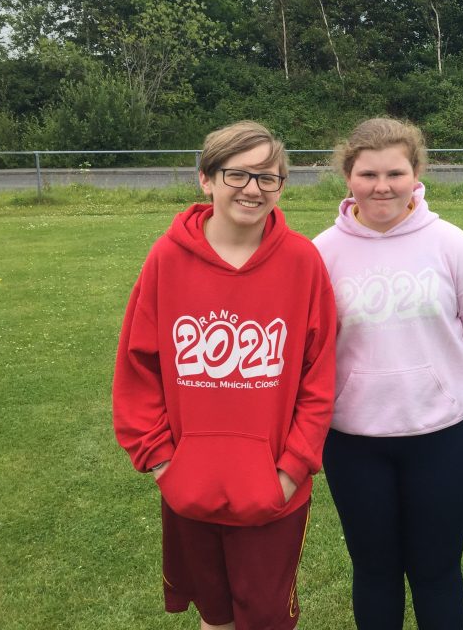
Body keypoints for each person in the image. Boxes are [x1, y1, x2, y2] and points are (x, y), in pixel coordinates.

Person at [113, 120, 337, 630]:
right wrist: (163, 463)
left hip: (274, 493)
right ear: (206, 179)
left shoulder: (303, 262)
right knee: (214, 616)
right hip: (189, 489)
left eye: (268, 177)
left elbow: (319, 378)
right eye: (237, 174)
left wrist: (290, 471)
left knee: (266, 618)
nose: (252, 189)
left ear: (281, 186)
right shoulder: (167, 258)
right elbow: (138, 368)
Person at [312, 117, 463, 630]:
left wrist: (436, 379)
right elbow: (314, 345)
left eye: (395, 173)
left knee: (437, 570)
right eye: (368, 174)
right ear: (347, 176)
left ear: (416, 174)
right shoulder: (321, 253)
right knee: (375, 571)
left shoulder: (452, 244)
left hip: (443, 436)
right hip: (353, 440)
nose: (382, 186)